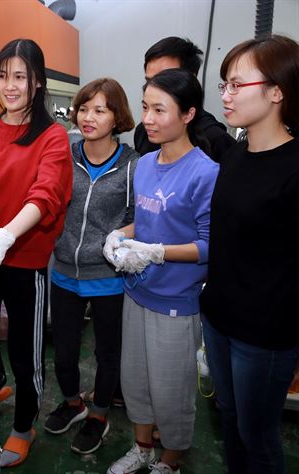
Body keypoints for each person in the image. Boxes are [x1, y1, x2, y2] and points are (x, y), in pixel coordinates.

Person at [0, 38, 72, 468]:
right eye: (3, 76)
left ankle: (24, 425)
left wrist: (4, 238)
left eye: (20, 77)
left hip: (23, 260)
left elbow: (45, 196)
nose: (10, 86)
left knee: (26, 351)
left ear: (38, 82)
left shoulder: (52, 136)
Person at [104, 69, 219, 474]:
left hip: (175, 301)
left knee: (171, 389)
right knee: (135, 380)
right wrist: (121, 234)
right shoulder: (146, 164)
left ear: (188, 114)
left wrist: (157, 252)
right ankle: (142, 448)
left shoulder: (205, 173)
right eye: (146, 108)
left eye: (159, 110)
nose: (148, 119)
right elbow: (147, 220)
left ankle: (169, 460)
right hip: (136, 293)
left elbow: (210, 245)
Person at [200, 34, 299, 474]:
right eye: (223, 84)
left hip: (264, 335)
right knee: (232, 420)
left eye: (236, 85)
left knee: (258, 437)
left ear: (277, 91)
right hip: (218, 319)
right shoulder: (236, 156)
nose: (226, 94)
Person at [43, 78, 139, 455]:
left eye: (100, 109)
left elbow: (136, 216)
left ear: (117, 117)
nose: (88, 117)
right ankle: (72, 403)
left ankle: (99, 412)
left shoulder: (132, 165)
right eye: (83, 108)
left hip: (108, 278)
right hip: (64, 270)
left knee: (107, 353)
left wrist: (116, 239)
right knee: (63, 352)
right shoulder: (65, 153)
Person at [133, 36, 235, 162]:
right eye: (149, 81)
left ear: (189, 79)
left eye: (165, 79)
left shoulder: (215, 139)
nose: (153, 88)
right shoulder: (144, 132)